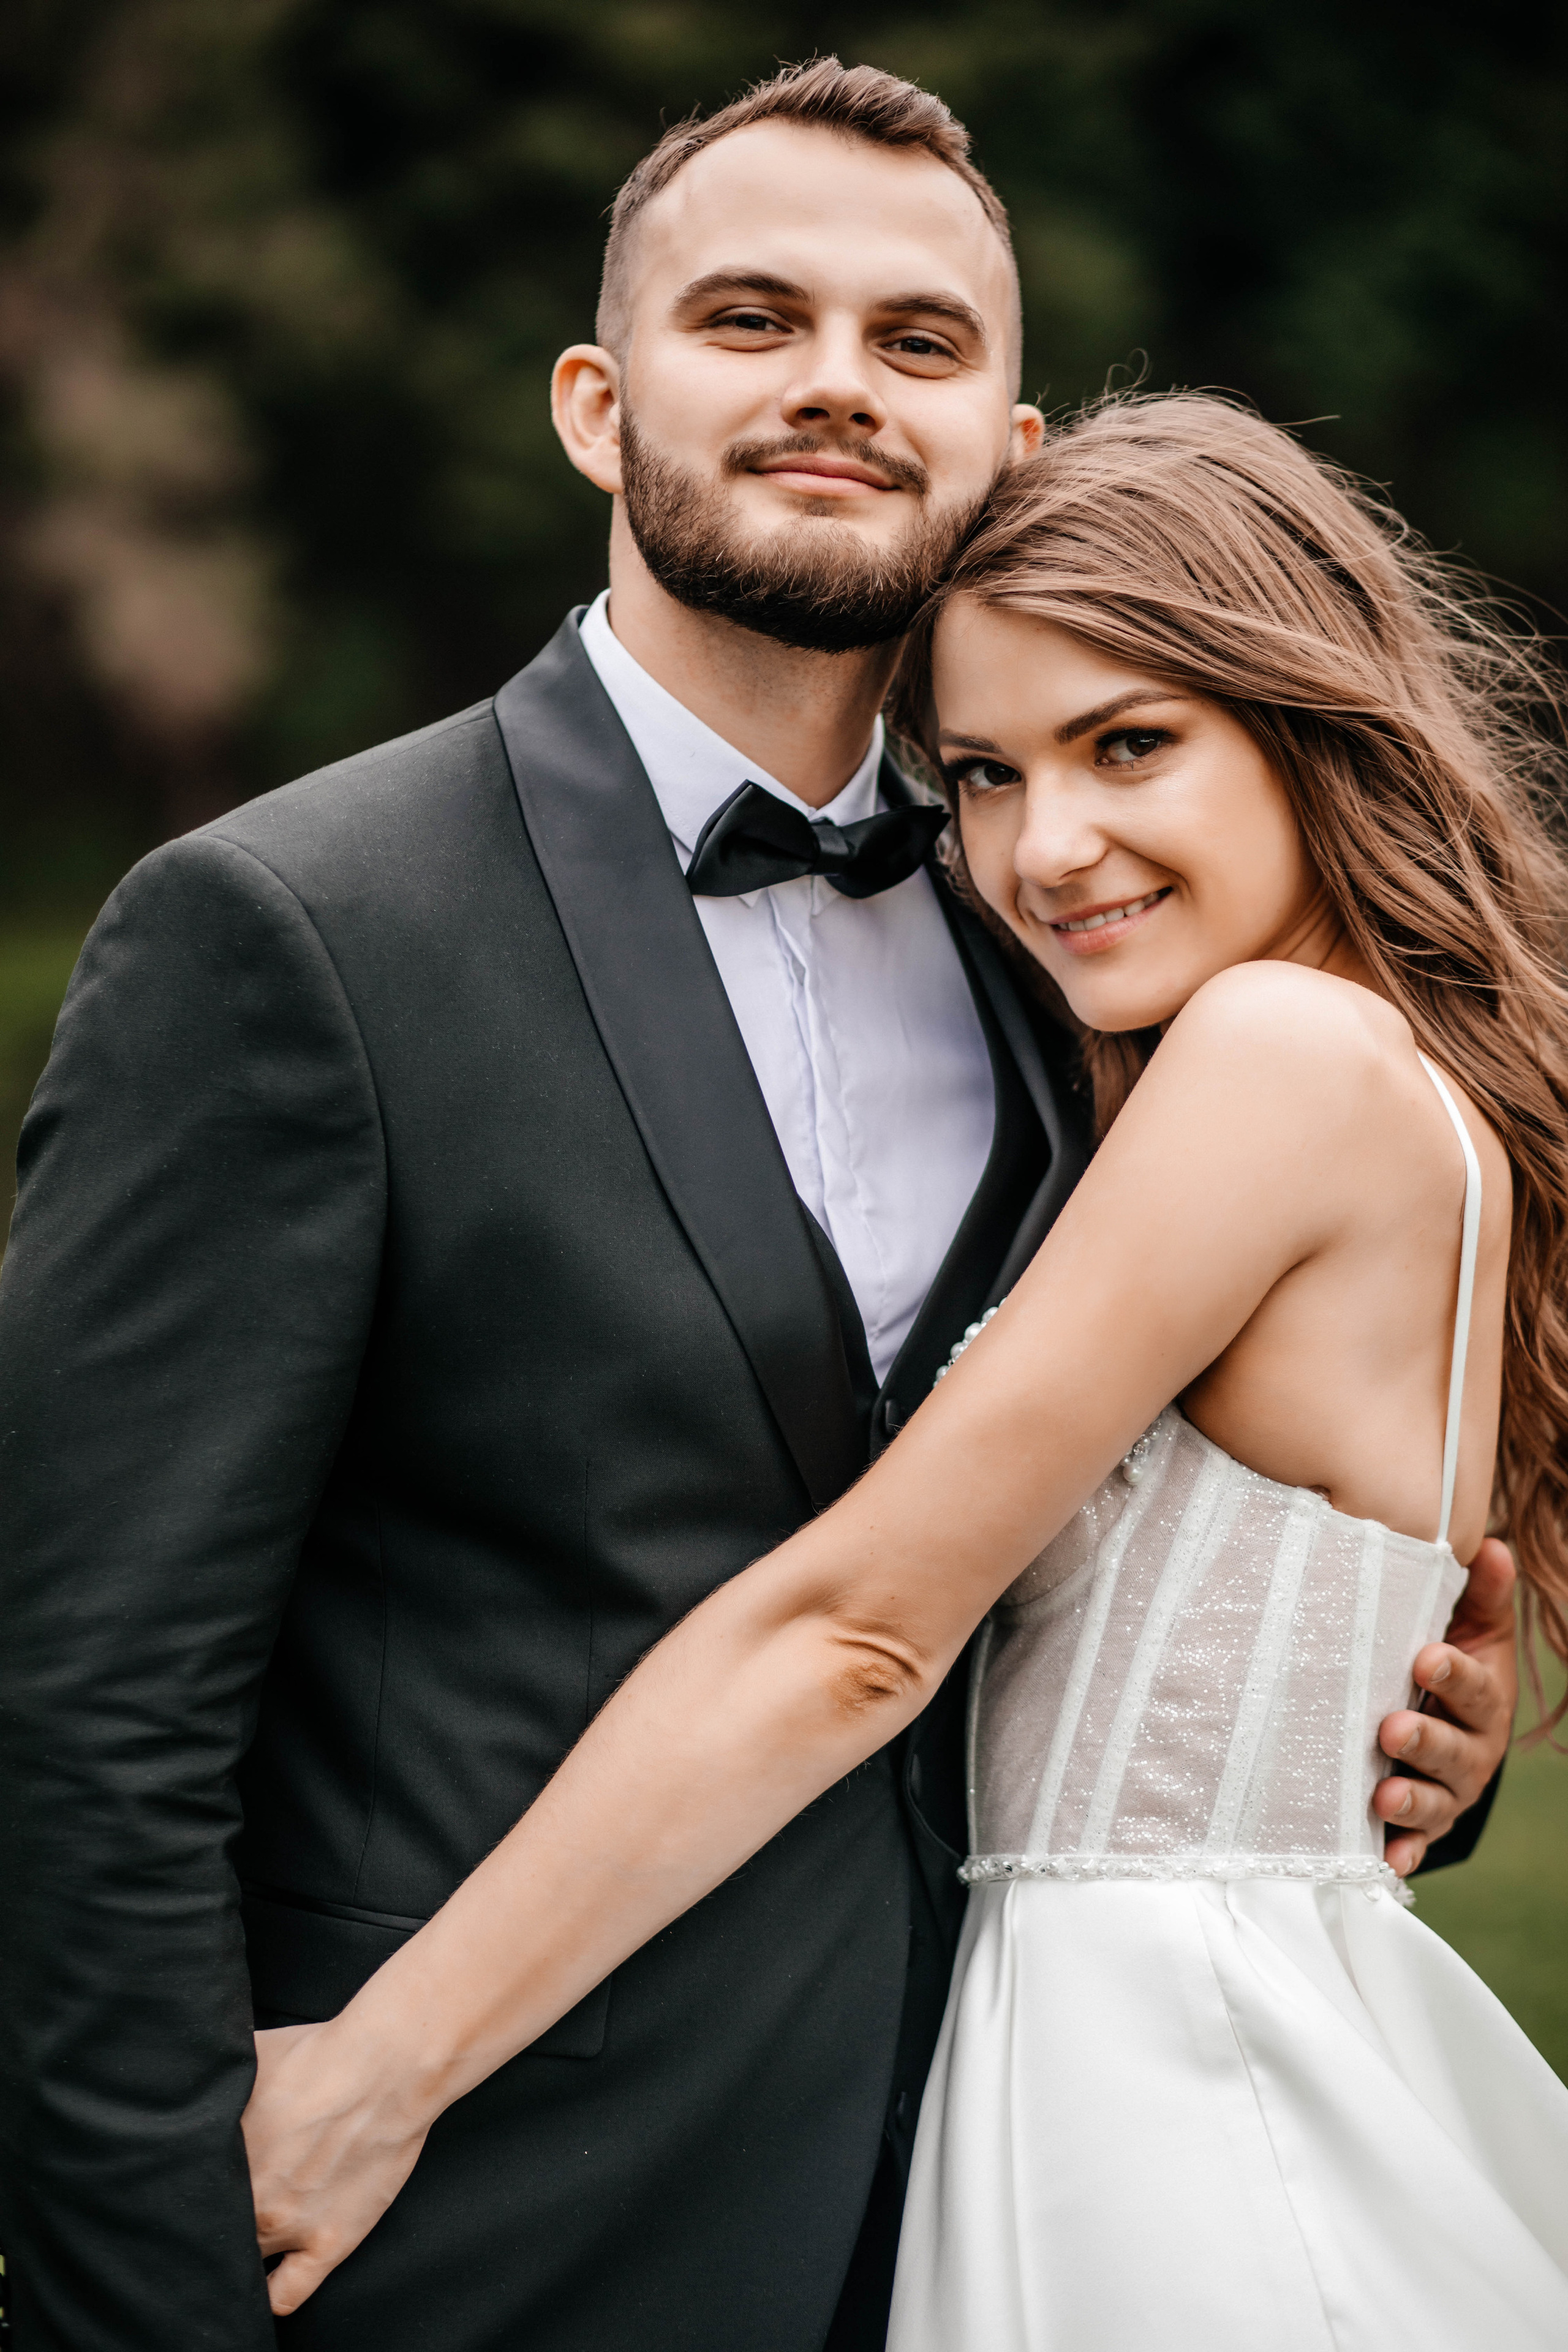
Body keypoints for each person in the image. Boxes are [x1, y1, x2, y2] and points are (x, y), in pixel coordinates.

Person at [0, 55, 1510, 2348]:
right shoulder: (292, 930)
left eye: (917, 339)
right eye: (751, 319)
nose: (836, 385)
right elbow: (85, 1703)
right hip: (461, 2235)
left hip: (999, 2185)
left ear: (1010, 445)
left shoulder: (1094, 965)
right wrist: (145, 2286)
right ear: (599, 404)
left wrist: (1375, 1727)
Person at [235, 394, 1566, 2346]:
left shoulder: (1275, 1057)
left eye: (1132, 747)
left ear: (1307, 722)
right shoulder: (1380, 1076)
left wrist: (380, 2071)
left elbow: (862, 1631)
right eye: (990, 777)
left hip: (1158, 2083)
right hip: (1205, 2015)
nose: (1054, 845)